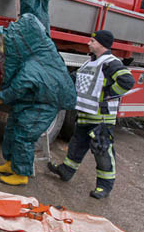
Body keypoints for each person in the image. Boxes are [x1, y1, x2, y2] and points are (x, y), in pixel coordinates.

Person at [0, 14, 76, 186]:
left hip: (44, 104)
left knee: (24, 136)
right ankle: (10, 163)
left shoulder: (33, 65)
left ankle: (21, 174)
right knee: (12, 129)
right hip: (33, 98)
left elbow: (19, 86)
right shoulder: (33, 53)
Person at [48, 30, 134, 199]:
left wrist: (108, 94)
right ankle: (66, 171)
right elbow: (77, 79)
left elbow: (127, 81)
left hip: (101, 118)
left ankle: (104, 187)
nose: (88, 43)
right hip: (86, 114)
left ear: (101, 44)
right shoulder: (90, 63)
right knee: (76, 145)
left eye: (92, 41)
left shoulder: (110, 63)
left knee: (102, 151)